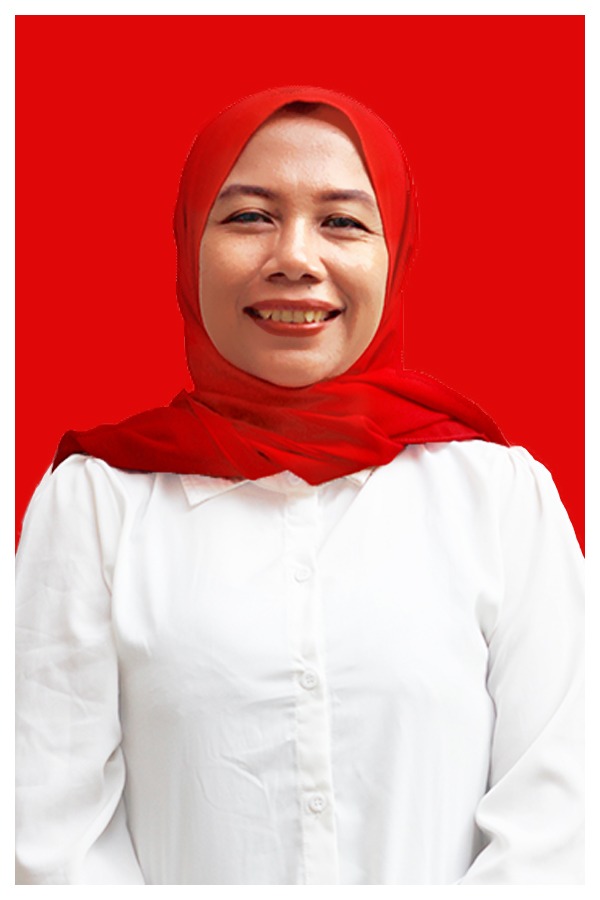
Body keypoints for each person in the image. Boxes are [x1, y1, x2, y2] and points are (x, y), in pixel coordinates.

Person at [15, 86, 583, 885]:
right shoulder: (96, 503)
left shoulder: (500, 500)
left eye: (342, 221)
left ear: (396, 251)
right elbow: (46, 837)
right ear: (189, 244)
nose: (295, 258)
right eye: (250, 216)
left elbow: (562, 822)